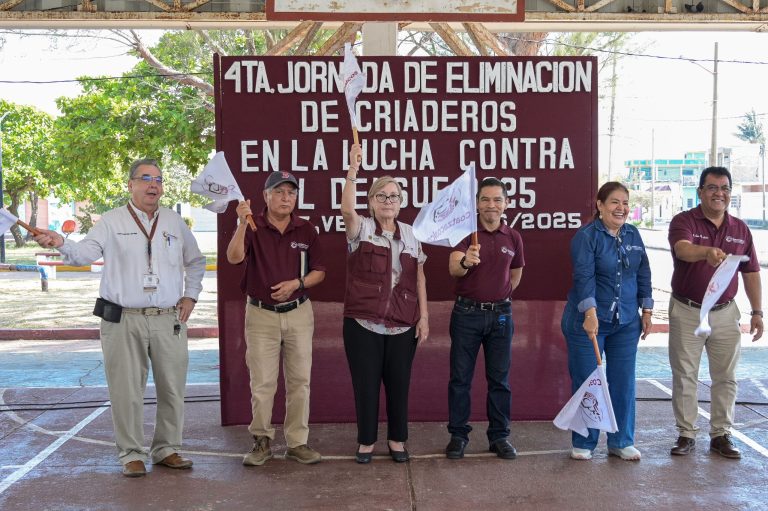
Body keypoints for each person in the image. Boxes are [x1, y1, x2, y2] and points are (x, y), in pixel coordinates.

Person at [33, 159, 206, 478]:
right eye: (145, 179)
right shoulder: (111, 221)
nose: (153, 185)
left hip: (168, 318)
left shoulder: (174, 221)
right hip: (123, 319)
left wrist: (190, 294)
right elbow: (84, 254)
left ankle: (166, 447)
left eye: (158, 179)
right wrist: (60, 243)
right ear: (130, 184)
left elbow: (195, 261)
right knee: (126, 390)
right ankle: (131, 452)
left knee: (172, 388)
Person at [226, 170, 326, 466]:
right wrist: (242, 224)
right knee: (263, 383)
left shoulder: (306, 229)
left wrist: (298, 283)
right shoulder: (252, 225)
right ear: (265, 196)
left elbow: (319, 271)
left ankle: (297, 442)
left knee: (300, 381)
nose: (286, 198)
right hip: (260, 316)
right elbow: (233, 257)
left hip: (298, 313)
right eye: (279, 192)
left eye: (291, 193)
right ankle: (261, 440)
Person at [340, 144, 429, 464]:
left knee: (398, 385)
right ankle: (366, 441)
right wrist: (353, 170)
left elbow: (419, 276)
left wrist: (424, 317)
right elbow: (346, 210)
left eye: (394, 196)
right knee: (366, 385)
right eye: (382, 196)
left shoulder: (412, 233)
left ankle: (397, 440)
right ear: (372, 201)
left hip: (403, 323)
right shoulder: (360, 227)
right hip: (362, 323)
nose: (389, 201)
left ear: (401, 202)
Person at [667, 166, 763, 459]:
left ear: (730, 193)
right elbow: (682, 249)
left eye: (724, 188)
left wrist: (757, 311)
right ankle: (686, 434)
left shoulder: (740, 229)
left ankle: (721, 434)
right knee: (685, 375)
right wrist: (705, 252)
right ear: (700, 192)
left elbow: (751, 272)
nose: (718, 193)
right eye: (712, 187)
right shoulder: (684, 221)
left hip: (725, 312)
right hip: (688, 310)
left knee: (726, 376)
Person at [560, 181, 653, 462]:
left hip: (625, 321)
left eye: (625, 203)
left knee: (623, 381)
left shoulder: (634, 235)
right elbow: (583, 276)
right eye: (614, 202)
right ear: (600, 205)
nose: (621, 208)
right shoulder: (587, 237)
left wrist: (646, 311)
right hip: (588, 322)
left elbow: (643, 273)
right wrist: (589, 314)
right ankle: (585, 441)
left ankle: (621, 441)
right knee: (589, 382)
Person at [445, 177, 524, 460]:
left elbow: (515, 275)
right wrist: (467, 261)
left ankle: (499, 436)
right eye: (486, 199)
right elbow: (454, 268)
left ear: (506, 204)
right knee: (460, 379)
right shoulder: (466, 233)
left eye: (497, 200)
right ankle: (458, 435)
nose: (492, 205)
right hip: (466, 315)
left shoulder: (513, 237)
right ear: (477, 204)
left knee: (500, 380)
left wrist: (497, 296)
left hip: (501, 316)